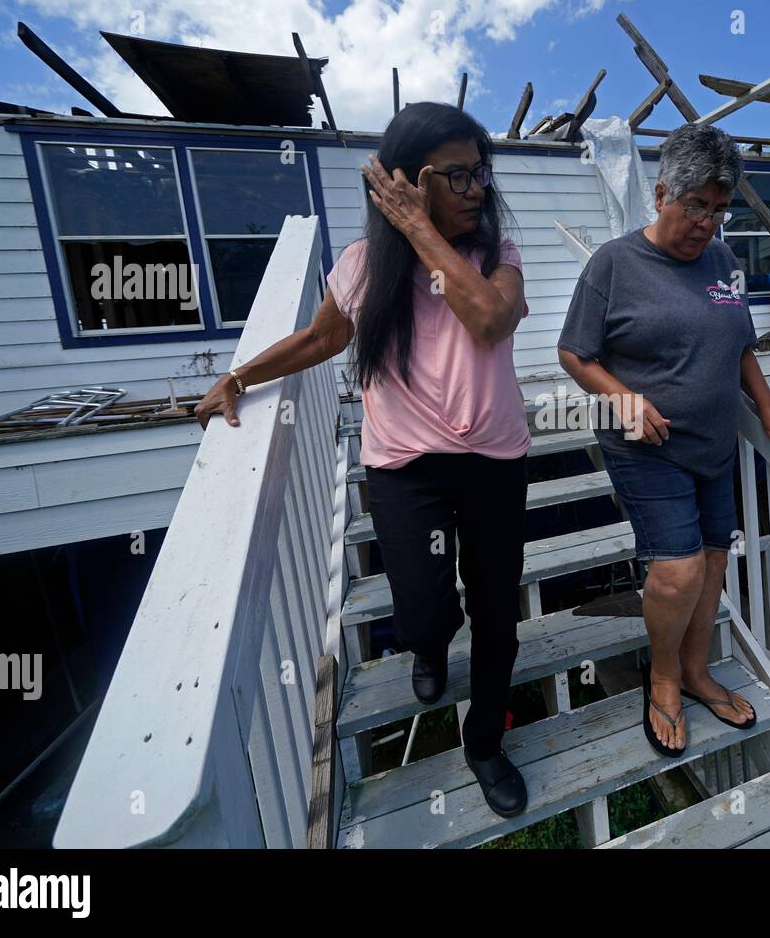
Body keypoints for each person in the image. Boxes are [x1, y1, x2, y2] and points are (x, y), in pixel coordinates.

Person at [195, 101, 531, 817]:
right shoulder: (360, 266)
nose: (478, 190)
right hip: (405, 466)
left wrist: (419, 229)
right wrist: (239, 376)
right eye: (458, 176)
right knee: (421, 609)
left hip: (495, 460)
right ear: (406, 182)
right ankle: (432, 647)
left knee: (498, 615)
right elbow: (321, 340)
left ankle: (484, 744)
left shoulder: (497, 254)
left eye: (481, 173)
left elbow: (490, 318)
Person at [557, 124, 770, 757]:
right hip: (645, 446)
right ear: (661, 193)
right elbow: (573, 352)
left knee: (714, 562)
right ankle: (665, 675)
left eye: (719, 207)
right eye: (695, 204)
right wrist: (621, 397)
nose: (707, 220)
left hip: (713, 445)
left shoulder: (724, 261)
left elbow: (740, 346)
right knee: (675, 571)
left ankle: (698, 672)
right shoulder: (613, 264)